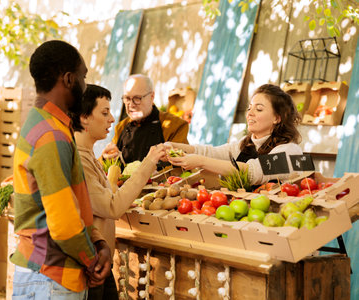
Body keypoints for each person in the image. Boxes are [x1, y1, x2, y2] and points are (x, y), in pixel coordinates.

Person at [10, 40, 111, 299]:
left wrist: (98, 241)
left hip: (43, 275)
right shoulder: (51, 135)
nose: (85, 85)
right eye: (83, 77)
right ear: (68, 79)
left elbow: (71, 203)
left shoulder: (41, 123)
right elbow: (65, 225)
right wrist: (93, 261)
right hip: (52, 280)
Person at [71, 84, 165, 299]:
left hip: (98, 264)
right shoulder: (80, 161)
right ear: (84, 118)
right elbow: (111, 207)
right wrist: (148, 163)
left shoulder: (88, 157)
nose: (112, 119)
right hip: (89, 266)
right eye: (104, 113)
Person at [165, 84, 303, 186]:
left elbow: (251, 173)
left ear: (277, 118)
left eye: (259, 109)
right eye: (249, 108)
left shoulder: (290, 151)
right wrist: (172, 146)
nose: (250, 113)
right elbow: (211, 152)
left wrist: (200, 161)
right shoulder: (247, 144)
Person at [101, 74, 189, 167]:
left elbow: (181, 166)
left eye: (137, 98)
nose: (131, 104)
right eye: (127, 98)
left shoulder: (175, 126)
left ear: (152, 96)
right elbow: (110, 167)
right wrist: (105, 158)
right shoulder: (121, 127)